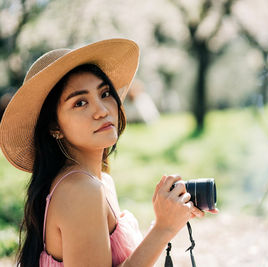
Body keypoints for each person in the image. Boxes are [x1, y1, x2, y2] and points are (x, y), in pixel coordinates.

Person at [0, 38, 216, 267]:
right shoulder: (80, 191)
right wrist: (163, 229)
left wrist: (168, 219)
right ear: (54, 126)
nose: (102, 111)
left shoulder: (99, 181)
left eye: (104, 94)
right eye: (80, 103)